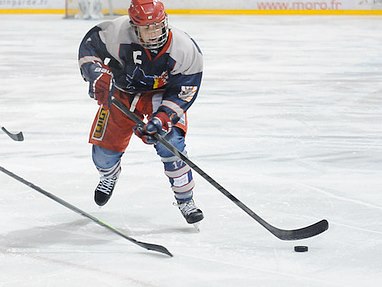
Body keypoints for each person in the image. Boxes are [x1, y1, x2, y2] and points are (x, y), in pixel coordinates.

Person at [78, 0, 204, 224]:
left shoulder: (184, 48)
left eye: (157, 25)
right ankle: (109, 174)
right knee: (103, 155)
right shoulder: (118, 32)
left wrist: (163, 119)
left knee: (172, 144)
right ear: (134, 26)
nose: (153, 32)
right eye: (146, 28)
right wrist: (96, 74)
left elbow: (184, 91)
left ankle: (186, 200)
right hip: (122, 92)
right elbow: (89, 47)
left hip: (161, 95)